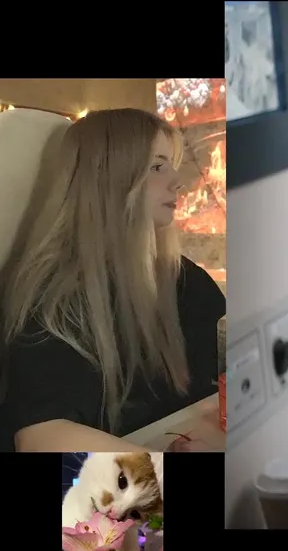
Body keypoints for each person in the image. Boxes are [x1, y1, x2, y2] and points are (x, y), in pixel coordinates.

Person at [0, 108, 226, 452]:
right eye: (157, 166)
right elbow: (41, 437)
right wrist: (156, 475)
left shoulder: (185, 279)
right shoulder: (57, 299)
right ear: (108, 178)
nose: (178, 180)